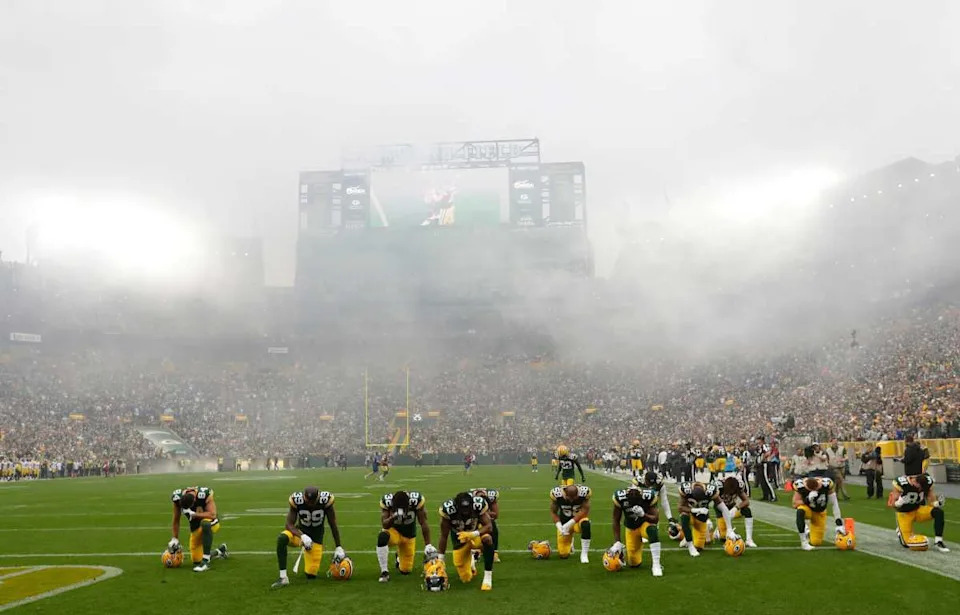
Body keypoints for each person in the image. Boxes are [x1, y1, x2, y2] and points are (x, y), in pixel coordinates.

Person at [272, 486, 344, 587]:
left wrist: (338, 546)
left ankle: (309, 558)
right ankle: (283, 578)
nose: (310, 504)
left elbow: (333, 524)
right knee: (282, 538)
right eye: (308, 501)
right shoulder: (297, 501)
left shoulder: (325, 501)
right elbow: (288, 524)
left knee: (311, 574)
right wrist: (302, 536)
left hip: (315, 540)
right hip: (300, 536)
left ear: (318, 497)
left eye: (312, 502)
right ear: (304, 497)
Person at [437, 491, 495, 591]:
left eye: (467, 508)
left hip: (476, 535)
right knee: (466, 578)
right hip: (460, 540)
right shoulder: (448, 510)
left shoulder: (478, 505)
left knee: (487, 539)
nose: (465, 512)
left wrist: (473, 534)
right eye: (463, 509)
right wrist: (440, 560)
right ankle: (471, 561)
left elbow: (489, 527)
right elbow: (444, 535)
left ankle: (488, 577)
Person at [377, 490, 433, 582]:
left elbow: (423, 522)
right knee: (382, 536)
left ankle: (398, 557)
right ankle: (384, 571)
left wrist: (428, 545)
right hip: (394, 532)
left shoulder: (416, 501)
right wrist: (393, 517)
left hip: (409, 536)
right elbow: (385, 525)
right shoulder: (387, 501)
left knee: (405, 570)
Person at [169, 486, 228, 572]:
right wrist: (175, 538)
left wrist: (195, 514)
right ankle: (220, 550)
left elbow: (212, 514)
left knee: (205, 524)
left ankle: (205, 562)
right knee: (196, 560)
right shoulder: (177, 498)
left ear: (194, 502)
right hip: (195, 527)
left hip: (211, 522)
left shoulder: (203, 494)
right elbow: (176, 519)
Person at [609, 484, 663, 576]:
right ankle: (637, 549)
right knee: (634, 563)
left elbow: (655, 519)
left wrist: (644, 515)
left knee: (652, 530)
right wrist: (617, 541)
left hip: (644, 524)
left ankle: (656, 565)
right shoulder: (620, 498)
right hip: (631, 528)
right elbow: (616, 520)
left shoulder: (648, 497)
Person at [889, 473, 949, 552]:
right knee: (907, 544)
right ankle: (900, 532)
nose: (921, 489)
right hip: (904, 514)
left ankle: (938, 541)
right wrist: (898, 503)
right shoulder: (901, 484)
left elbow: (931, 501)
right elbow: (892, 503)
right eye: (920, 487)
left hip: (918, 510)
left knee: (938, 512)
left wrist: (937, 503)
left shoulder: (927, 483)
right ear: (915, 481)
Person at [677, 480, 737, 557]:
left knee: (699, 546)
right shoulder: (686, 489)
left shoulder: (711, 490)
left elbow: (723, 508)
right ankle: (690, 545)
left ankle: (691, 537)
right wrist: (695, 510)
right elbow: (680, 508)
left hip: (701, 519)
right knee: (684, 516)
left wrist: (729, 529)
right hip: (690, 515)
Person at [790, 476, 848, 550]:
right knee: (800, 511)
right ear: (807, 487)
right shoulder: (801, 487)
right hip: (808, 510)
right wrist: (807, 500)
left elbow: (834, 503)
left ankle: (809, 534)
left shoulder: (826, 485)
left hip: (820, 513)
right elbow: (794, 504)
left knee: (816, 542)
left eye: (817, 489)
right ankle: (804, 542)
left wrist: (839, 523)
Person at [550, 484, 593, 563]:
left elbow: (585, 510)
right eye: (569, 497)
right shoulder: (557, 494)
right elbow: (553, 512)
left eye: (574, 497)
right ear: (565, 493)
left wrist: (570, 523)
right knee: (563, 554)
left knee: (586, 524)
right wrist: (559, 526)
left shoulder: (584, 493)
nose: (571, 500)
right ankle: (570, 540)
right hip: (564, 523)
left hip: (578, 521)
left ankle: (584, 554)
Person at [471, 488, 501, 562]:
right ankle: (474, 550)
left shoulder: (491, 496)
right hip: (472, 518)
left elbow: (495, 515)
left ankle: (494, 551)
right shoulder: (467, 499)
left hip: (483, 515)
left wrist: (483, 513)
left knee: (491, 523)